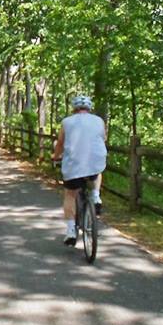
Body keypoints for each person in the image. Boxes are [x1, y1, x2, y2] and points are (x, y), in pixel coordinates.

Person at [51, 94, 107, 246]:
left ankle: (70, 230)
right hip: (95, 162)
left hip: (73, 165)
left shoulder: (67, 122)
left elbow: (60, 143)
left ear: (74, 108)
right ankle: (96, 196)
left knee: (70, 194)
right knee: (97, 171)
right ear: (89, 108)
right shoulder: (99, 121)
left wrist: (55, 157)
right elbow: (103, 138)